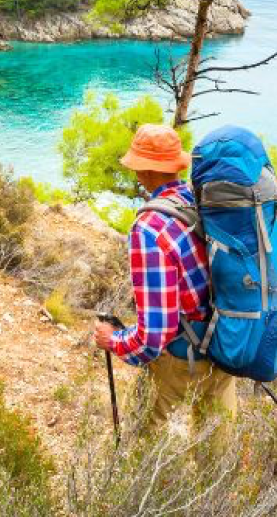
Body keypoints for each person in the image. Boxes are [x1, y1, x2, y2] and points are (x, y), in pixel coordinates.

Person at [93, 123, 237, 431]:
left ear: (142, 171)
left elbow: (153, 337)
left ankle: (139, 480)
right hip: (226, 344)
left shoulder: (149, 230)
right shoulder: (198, 199)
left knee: (140, 444)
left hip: (182, 359)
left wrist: (113, 340)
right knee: (220, 458)